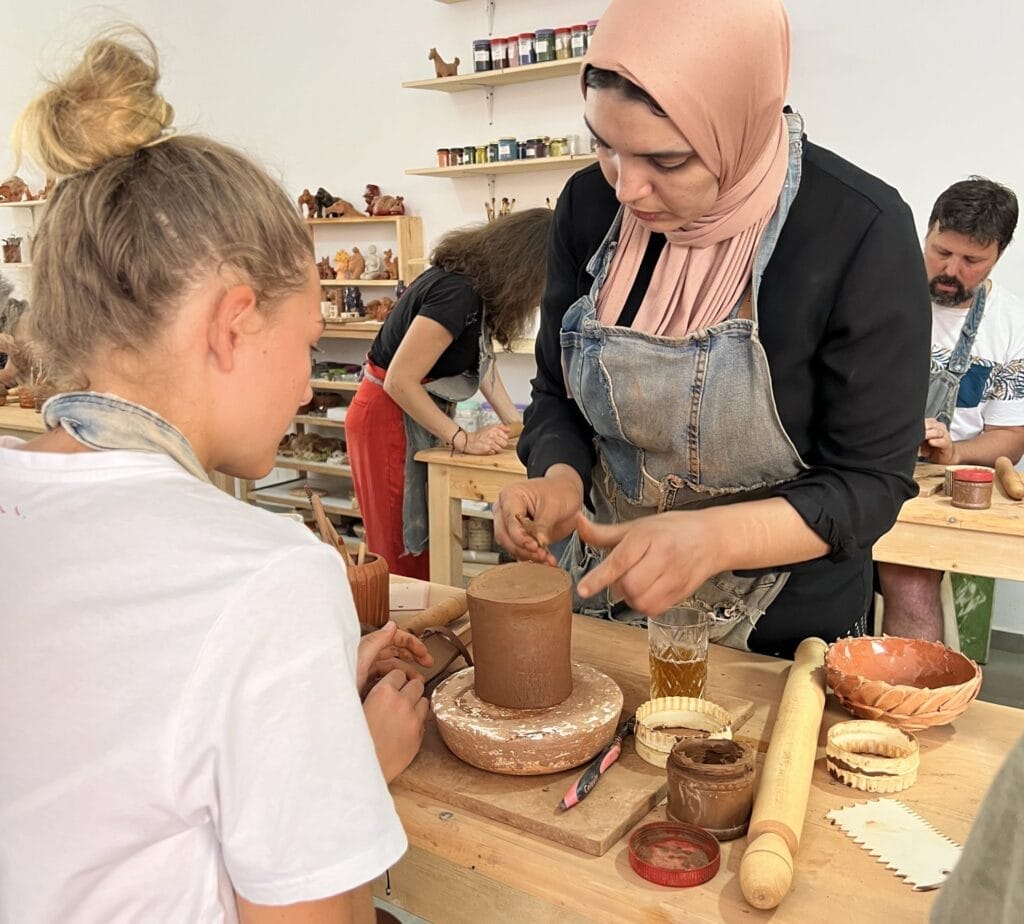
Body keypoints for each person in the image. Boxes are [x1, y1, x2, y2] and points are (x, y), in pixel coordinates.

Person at [0, 29, 432, 923]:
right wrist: (348, 771)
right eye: (312, 343)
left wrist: (302, 693)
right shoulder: (266, 576)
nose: (311, 381)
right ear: (235, 322)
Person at [493, 0, 932, 659]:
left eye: (666, 162)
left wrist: (712, 539)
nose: (627, 189)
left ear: (740, 122)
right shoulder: (588, 207)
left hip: (780, 637)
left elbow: (870, 484)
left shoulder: (858, 230)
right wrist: (558, 479)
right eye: (604, 146)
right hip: (606, 605)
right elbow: (557, 396)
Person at [346, 208, 553, 580]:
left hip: (409, 412)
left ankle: (421, 628)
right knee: (403, 550)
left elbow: (480, 362)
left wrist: (515, 422)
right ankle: (399, 633)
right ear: (525, 268)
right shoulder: (456, 293)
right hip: (387, 418)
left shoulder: (476, 292)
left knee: (430, 544)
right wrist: (463, 438)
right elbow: (399, 380)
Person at [879, 178, 1024, 640]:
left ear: (998, 255)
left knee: (911, 578)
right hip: (859, 460)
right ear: (928, 231)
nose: (949, 269)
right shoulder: (874, 290)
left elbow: (1012, 437)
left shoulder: (1011, 324)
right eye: (940, 251)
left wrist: (954, 454)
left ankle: (910, 705)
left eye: (971, 261)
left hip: (932, 483)